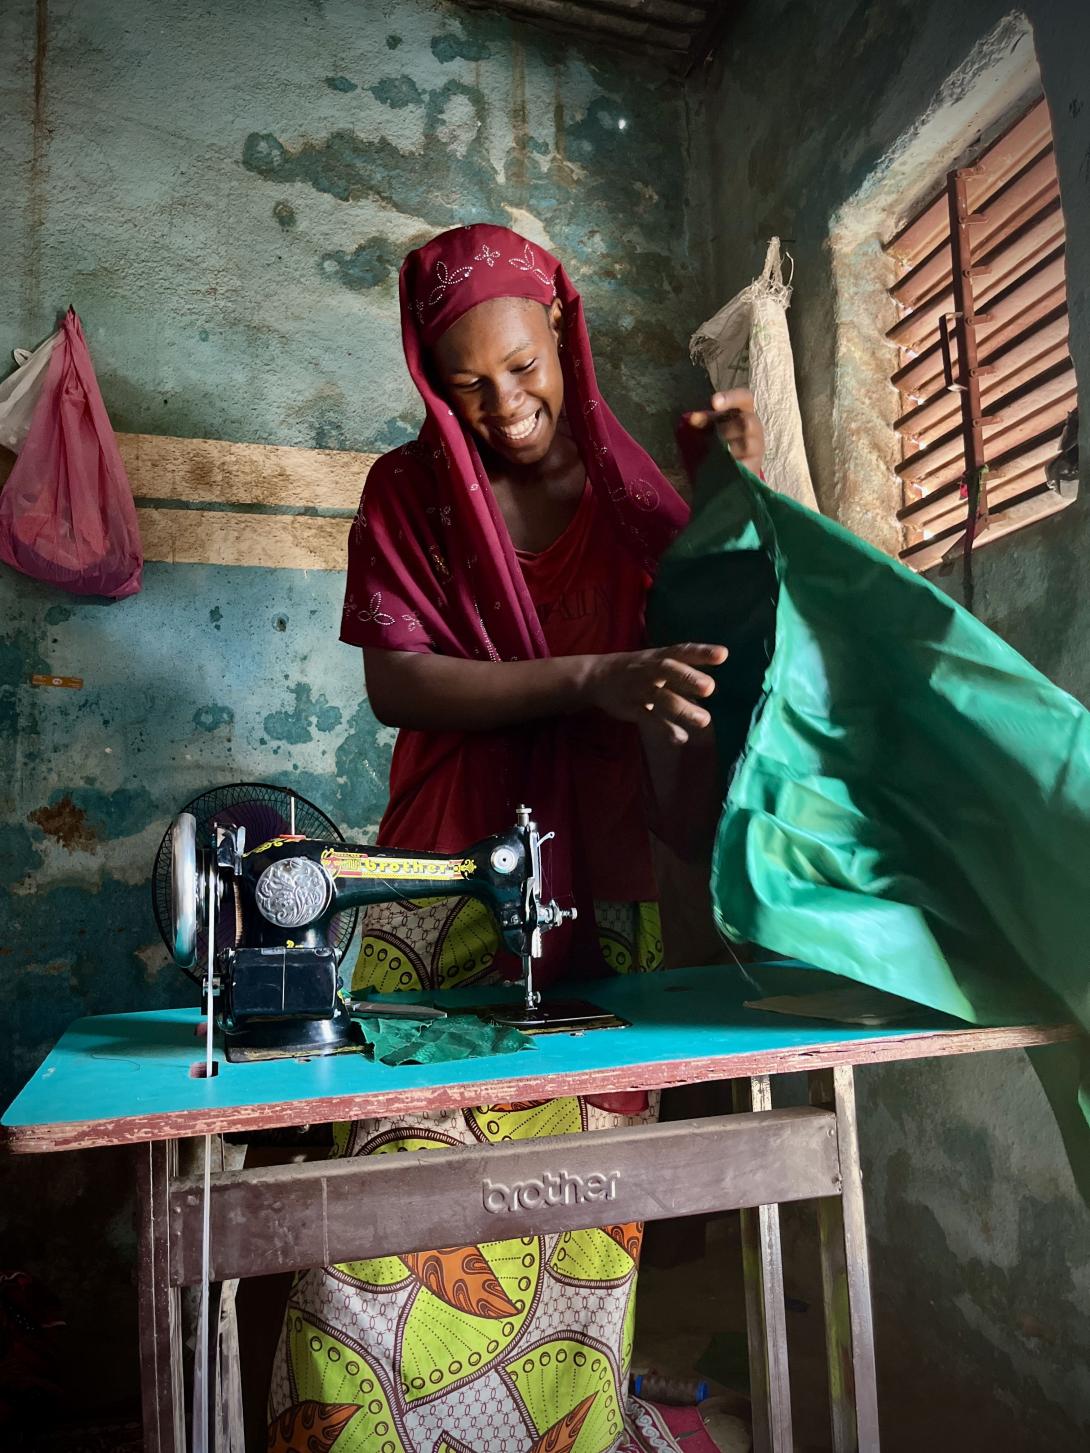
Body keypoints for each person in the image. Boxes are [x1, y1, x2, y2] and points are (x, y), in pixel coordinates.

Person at [267, 224, 764, 1453]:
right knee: (384, 1209)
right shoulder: (408, 493)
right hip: (446, 856)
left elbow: (714, 677)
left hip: (600, 875)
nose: (506, 404)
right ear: (432, 378)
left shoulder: (640, 503)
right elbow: (399, 682)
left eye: (525, 365)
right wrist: (589, 674)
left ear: (563, 337)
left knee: (577, 1223)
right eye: (468, 382)